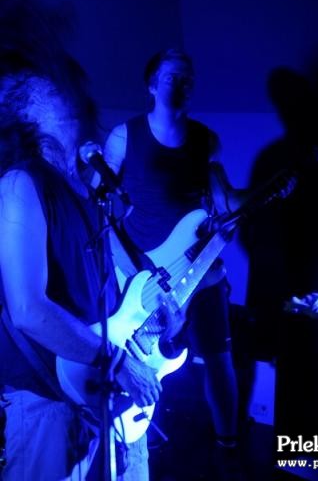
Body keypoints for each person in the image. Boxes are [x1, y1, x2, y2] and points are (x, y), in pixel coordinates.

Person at [0, 0, 160, 480]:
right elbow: (28, 309)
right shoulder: (21, 184)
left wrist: (156, 318)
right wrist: (113, 361)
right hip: (48, 400)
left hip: (101, 388)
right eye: (53, 90)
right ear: (28, 108)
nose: (70, 101)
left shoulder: (89, 189)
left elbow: (110, 290)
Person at [102, 49, 242, 454]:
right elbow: (102, 210)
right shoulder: (123, 136)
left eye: (187, 78)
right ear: (151, 85)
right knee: (143, 354)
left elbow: (225, 200)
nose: (181, 84)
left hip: (201, 266)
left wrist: (270, 189)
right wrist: (127, 266)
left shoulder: (206, 140)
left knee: (218, 356)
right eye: (171, 77)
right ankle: (133, 436)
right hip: (142, 271)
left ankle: (229, 447)